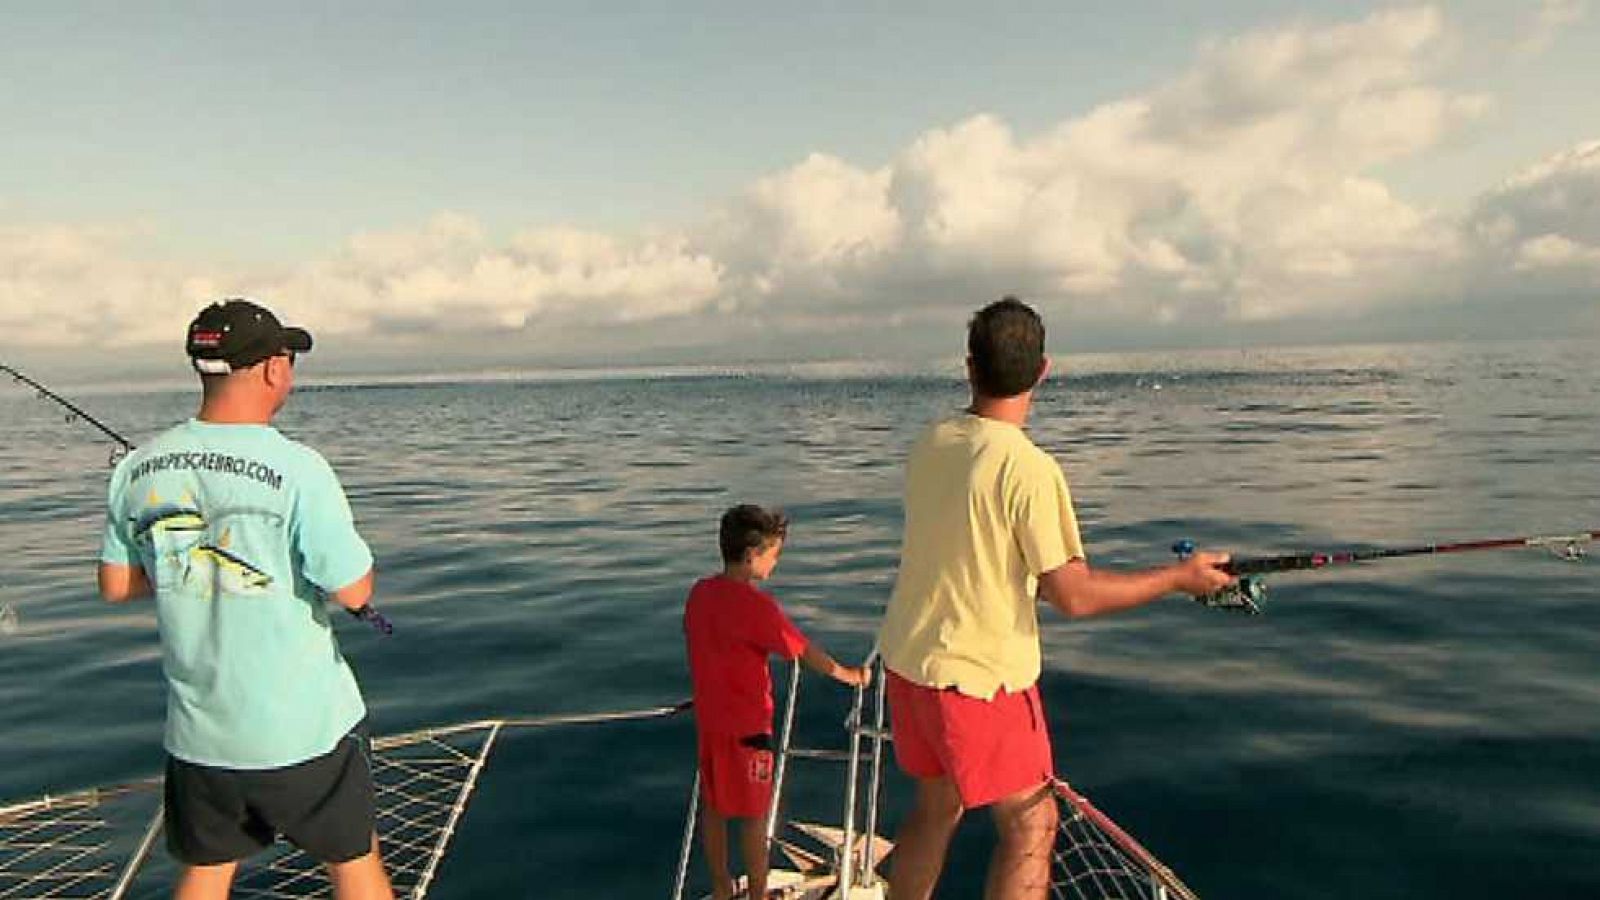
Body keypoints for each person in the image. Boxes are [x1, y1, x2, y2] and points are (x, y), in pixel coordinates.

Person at [876, 297, 1235, 900]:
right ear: (1043, 371)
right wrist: (1180, 578)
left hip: (910, 665)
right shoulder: (1029, 470)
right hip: (979, 681)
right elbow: (1073, 596)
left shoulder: (931, 443)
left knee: (937, 805)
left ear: (969, 366)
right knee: (1032, 823)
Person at [97, 298, 394, 900]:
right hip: (306, 733)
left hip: (201, 738)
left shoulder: (136, 468)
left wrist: (181, 563)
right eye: (288, 360)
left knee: (207, 872)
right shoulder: (301, 469)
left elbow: (116, 584)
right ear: (272, 369)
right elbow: (353, 589)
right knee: (355, 864)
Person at [684, 504, 872, 900]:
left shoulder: (700, 594)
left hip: (711, 724)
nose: (775, 563)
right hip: (749, 730)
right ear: (752, 555)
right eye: (773, 555)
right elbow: (801, 650)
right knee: (754, 816)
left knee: (714, 808)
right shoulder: (758, 607)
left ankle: (721, 886)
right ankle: (757, 894)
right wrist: (850, 674)